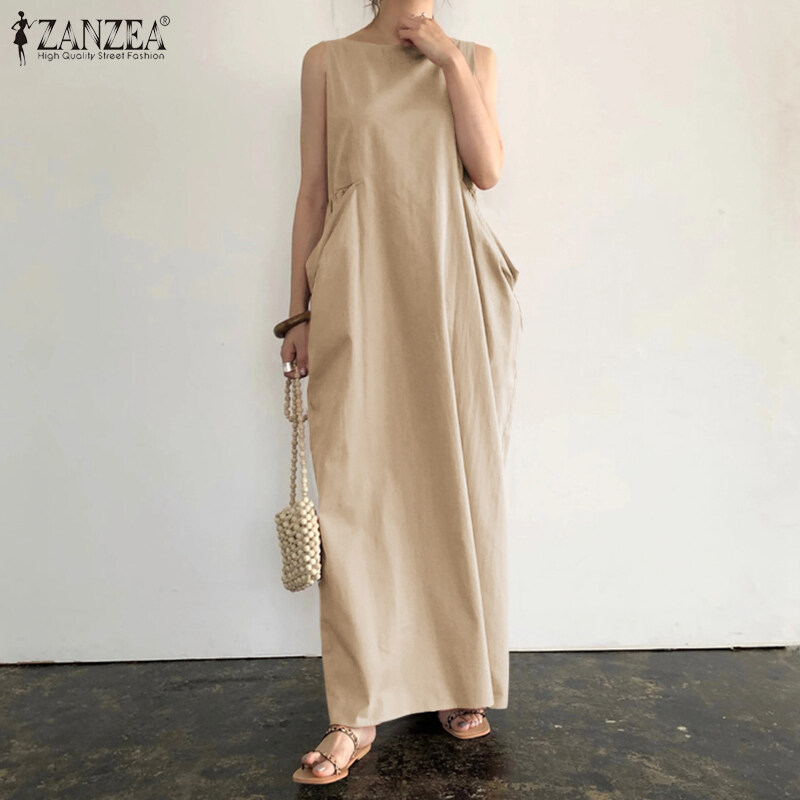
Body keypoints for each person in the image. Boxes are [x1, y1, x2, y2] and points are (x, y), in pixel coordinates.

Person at [276, 0, 522, 785]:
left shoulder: (474, 58)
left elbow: (486, 171)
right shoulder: (327, 61)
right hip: (358, 288)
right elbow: (313, 193)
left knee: (457, 483)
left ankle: (459, 675)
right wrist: (297, 314)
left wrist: (447, 61)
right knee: (357, 491)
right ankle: (356, 709)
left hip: (454, 290)